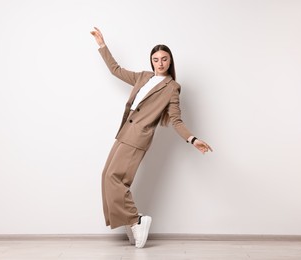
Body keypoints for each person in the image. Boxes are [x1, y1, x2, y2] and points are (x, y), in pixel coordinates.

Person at [90, 27, 213, 248]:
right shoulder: (143, 77)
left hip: (138, 137)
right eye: (156, 59)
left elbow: (175, 120)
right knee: (106, 175)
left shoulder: (172, 88)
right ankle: (131, 222)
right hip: (124, 133)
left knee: (116, 179)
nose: (160, 63)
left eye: (164, 59)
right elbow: (115, 70)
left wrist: (192, 139)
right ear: (151, 61)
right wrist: (102, 44)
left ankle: (136, 220)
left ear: (170, 62)